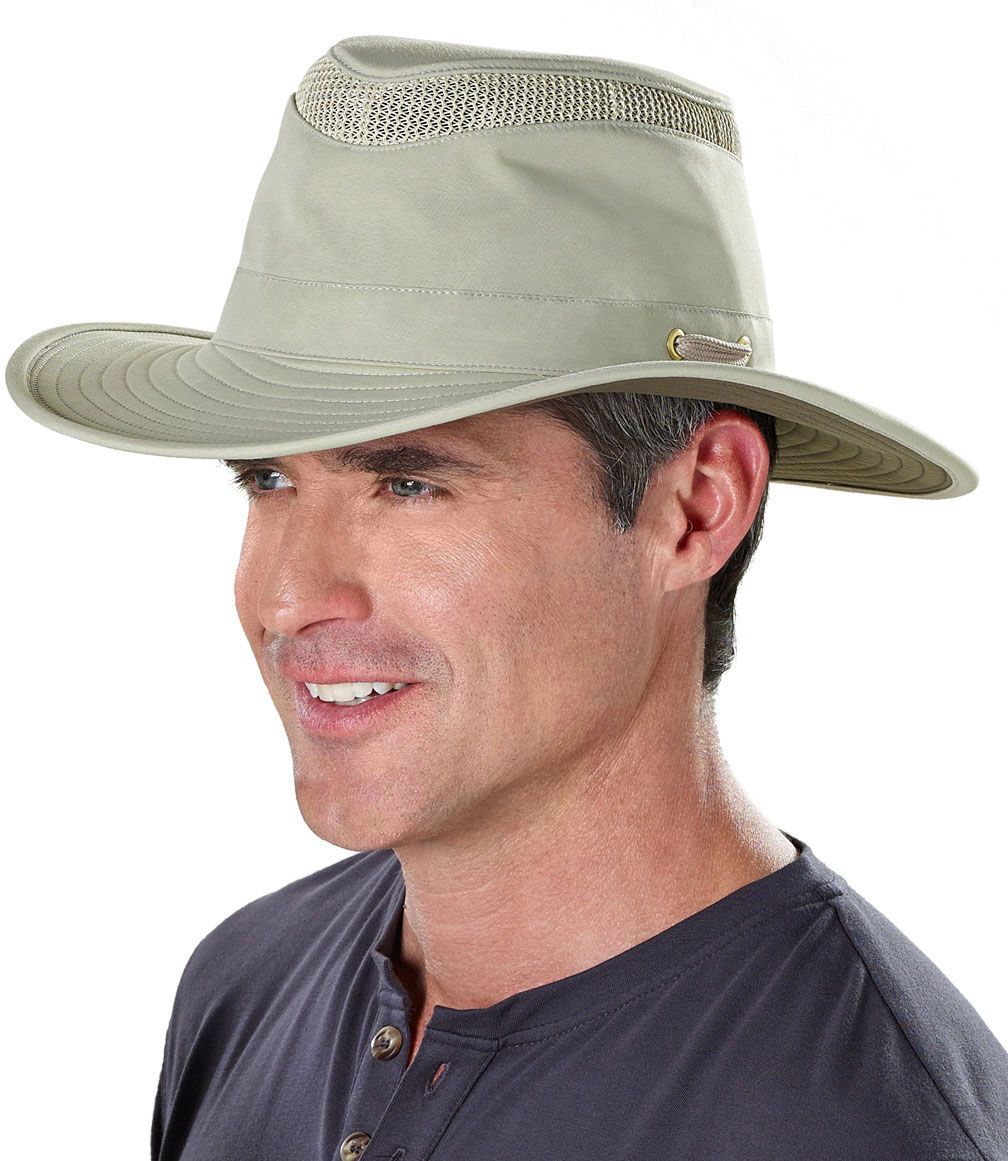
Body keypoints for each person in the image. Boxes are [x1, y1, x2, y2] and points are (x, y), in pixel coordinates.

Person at [6, 33, 1005, 1161]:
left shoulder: (857, 1124)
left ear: (696, 506)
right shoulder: (248, 985)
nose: (287, 597)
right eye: (267, 479)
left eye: (408, 483)